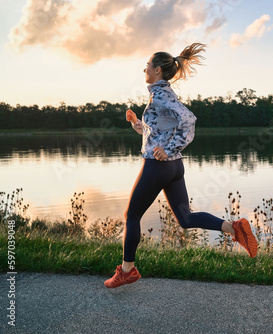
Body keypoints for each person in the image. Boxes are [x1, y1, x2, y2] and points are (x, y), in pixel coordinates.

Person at [104, 43, 258, 289]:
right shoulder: (162, 93)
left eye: (147, 65)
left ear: (157, 70)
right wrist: (137, 124)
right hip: (173, 168)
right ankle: (234, 228)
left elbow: (188, 120)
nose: (144, 68)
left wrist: (170, 149)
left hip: (158, 166)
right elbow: (158, 134)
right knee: (185, 218)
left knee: (131, 216)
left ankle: (127, 271)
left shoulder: (162, 95)